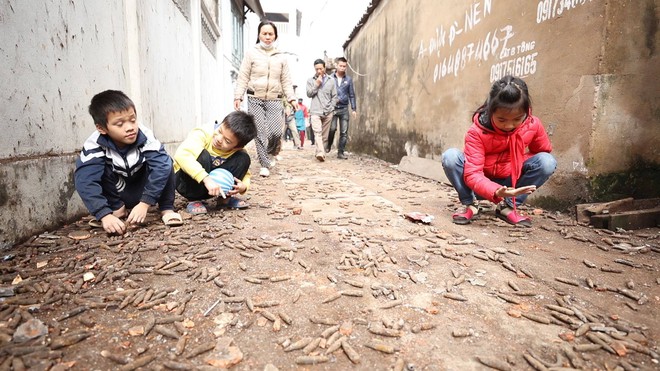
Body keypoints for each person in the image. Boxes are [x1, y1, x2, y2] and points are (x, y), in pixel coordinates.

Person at [441, 75, 556, 227]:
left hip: (510, 182)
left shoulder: (533, 125)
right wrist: (495, 190)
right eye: (502, 120)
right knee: (451, 156)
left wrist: (516, 164)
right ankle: (470, 204)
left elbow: (542, 151)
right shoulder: (476, 132)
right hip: (478, 184)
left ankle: (507, 206)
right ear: (490, 111)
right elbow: (473, 173)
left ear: (526, 112)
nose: (509, 125)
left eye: (517, 119)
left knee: (547, 161)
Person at [75, 90, 183, 235]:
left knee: (165, 162)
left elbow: (161, 167)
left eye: (132, 120)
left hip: (143, 186)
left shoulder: (145, 135)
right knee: (98, 170)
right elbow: (85, 181)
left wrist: (145, 204)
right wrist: (103, 214)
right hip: (119, 190)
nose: (130, 127)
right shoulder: (94, 144)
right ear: (101, 128)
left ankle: (166, 208)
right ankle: (116, 210)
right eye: (119, 124)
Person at [233, 20, 297, 177]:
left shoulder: (281, 57)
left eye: (271, 34)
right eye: (264, 33)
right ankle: (264, 164)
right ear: (259, 34)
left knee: (275, 132)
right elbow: (243, 76)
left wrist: (291, 98)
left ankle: (270, 153)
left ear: (275, 36)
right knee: (259, 131)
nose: (267, 36)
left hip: (275, 98)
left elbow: (286, 80)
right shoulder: (251, 53)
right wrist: (238, 96)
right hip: (255, 97)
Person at [173, 111, 257, 214]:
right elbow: (181, 155)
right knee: (203, 156)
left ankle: (224, 198)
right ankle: (194, 199)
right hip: (186, 183)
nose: (219, 139)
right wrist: (206, 179)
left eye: (227, 141)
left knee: (243, 158)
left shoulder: (238, 151)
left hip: (214, 188)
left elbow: (246, 174)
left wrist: (243, 186)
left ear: (237, 146)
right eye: (220, 131)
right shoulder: (202, 133)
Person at [306, 58, 338, 162]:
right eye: (316, 69)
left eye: (320, 68)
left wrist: (332, 108)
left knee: (324, 136)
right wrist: (317, 84)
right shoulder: (310, 81)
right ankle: (320, 152)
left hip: (328, 111)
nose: (319, 71)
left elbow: (334, 96)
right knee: (317, 132)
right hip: (315, 111)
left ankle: (319, 151)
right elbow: (309, 94)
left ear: (324, 68)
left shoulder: (331, 81)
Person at [328, 57, 357, 159]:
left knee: (344, 132)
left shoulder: (348, 80)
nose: (342, 68)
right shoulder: (330, 78)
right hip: (333, 108)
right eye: (340, 66)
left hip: (344, 108)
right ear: (336, 65)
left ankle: (341, 152)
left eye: (344, 66)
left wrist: (353, 109)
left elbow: (352, 95)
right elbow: (327, 93)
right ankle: (329, 144)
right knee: (332, 128)